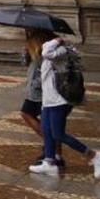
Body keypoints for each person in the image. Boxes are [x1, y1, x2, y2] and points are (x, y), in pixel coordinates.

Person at [29, 37, 100, 180]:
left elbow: (47, 52)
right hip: (48, 101)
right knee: (47, 132)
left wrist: (56, 40)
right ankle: (49, 163)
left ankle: (96, 156)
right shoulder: (51, 53)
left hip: (58, 101)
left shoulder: (60, 51)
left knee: (58, 134)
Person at [20, 29, 60, 167]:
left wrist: (35, 84)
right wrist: (25, 54)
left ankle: (51, 148)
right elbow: (26, 65)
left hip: (42, 94)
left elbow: (46, 74)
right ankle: (54, 153)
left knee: (29, 114)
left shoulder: (46, 52)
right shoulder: (35, 50)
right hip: (36, 93)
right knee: (48, 125)